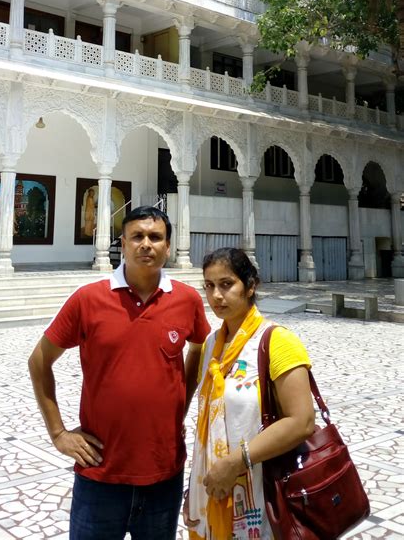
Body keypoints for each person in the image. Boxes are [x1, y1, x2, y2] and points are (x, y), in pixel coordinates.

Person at [28, 205, 210, 540]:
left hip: (162, 475)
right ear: (122, 244)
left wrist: (178, 408)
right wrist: (58, 433)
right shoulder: (88, 300)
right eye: (136, 236)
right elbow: (39, 361)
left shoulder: (186, 300)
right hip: (100, 474)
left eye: (155, 237)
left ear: (168, 247)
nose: (146, 244)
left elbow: (198, 349)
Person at [184, 247, 315, 540]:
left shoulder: (277, 341)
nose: (216, 295)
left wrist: (235, 461)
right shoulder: (211, 344)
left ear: (250, 286)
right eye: (209, 286)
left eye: (227, 284)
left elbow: (302, 421)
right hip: (212, 491)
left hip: (260, 489)